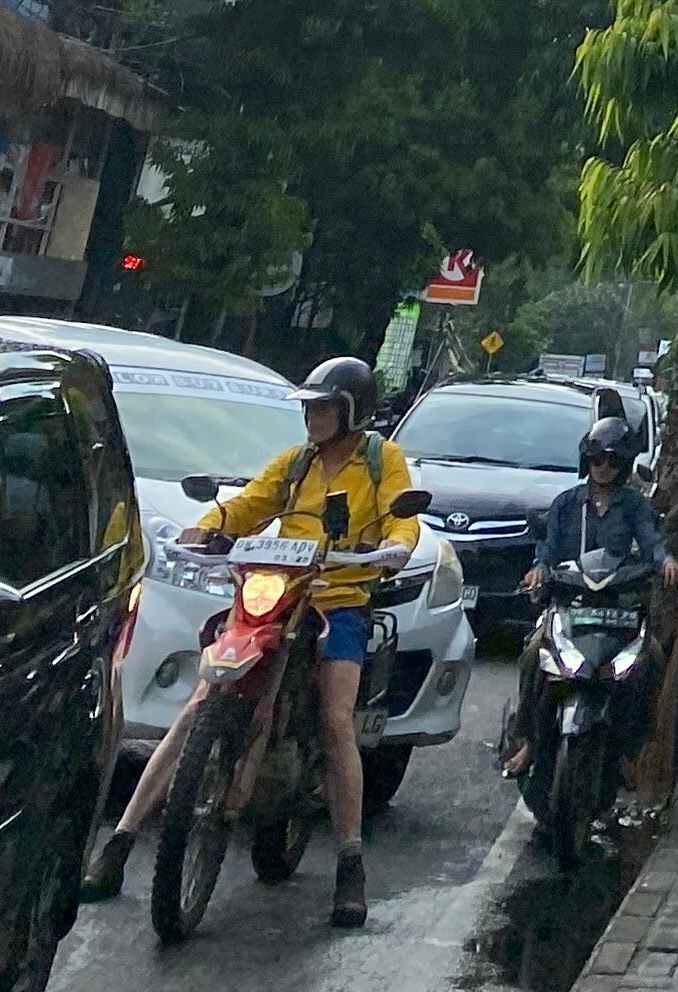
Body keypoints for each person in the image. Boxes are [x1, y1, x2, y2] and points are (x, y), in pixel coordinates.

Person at [80, 353, 415, 932]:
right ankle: (120, 842)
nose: (312, 417)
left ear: (352, 412)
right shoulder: (296, 463)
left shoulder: (382, 462)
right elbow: (250, 504)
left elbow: (401, 519)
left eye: (324, 408)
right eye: (310, 408)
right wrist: (210, 526)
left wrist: (396, 546)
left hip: (339, 598)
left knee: (336, 719)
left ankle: (350, 863)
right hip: (278, 592)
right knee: (197, 705)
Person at [500, 417, 676, 797]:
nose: (604, 468)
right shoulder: (566, 504)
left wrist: (665, 562)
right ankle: (529, 741)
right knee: (532, 654)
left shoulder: (635, 506)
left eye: (613, 461)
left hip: (618, 610)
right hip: (569, 606)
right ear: (587, 461)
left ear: (623, 465)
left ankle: (631, 751)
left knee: (652, 658)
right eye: (598, 459)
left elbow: (651, 542)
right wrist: (539, 570)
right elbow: (547, 550)